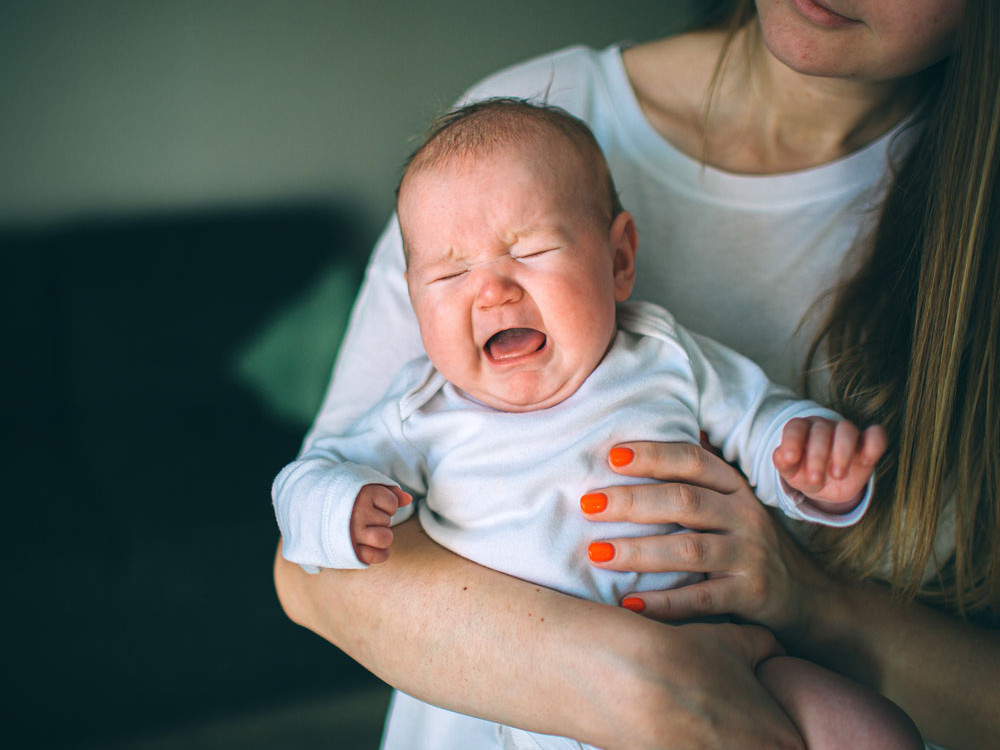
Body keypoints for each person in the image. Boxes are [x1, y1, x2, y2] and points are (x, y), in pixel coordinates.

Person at [272, 2, 1000, 749]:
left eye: (529, 254)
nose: (491, 290)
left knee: (869, 730)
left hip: (733, 663)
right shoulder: (420, 407)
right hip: (511, 714)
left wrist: (805, 459)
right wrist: (344, 506)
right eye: (452, 274)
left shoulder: (662, 353)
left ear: (621, 260)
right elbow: (307, 508)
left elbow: (757, 416)